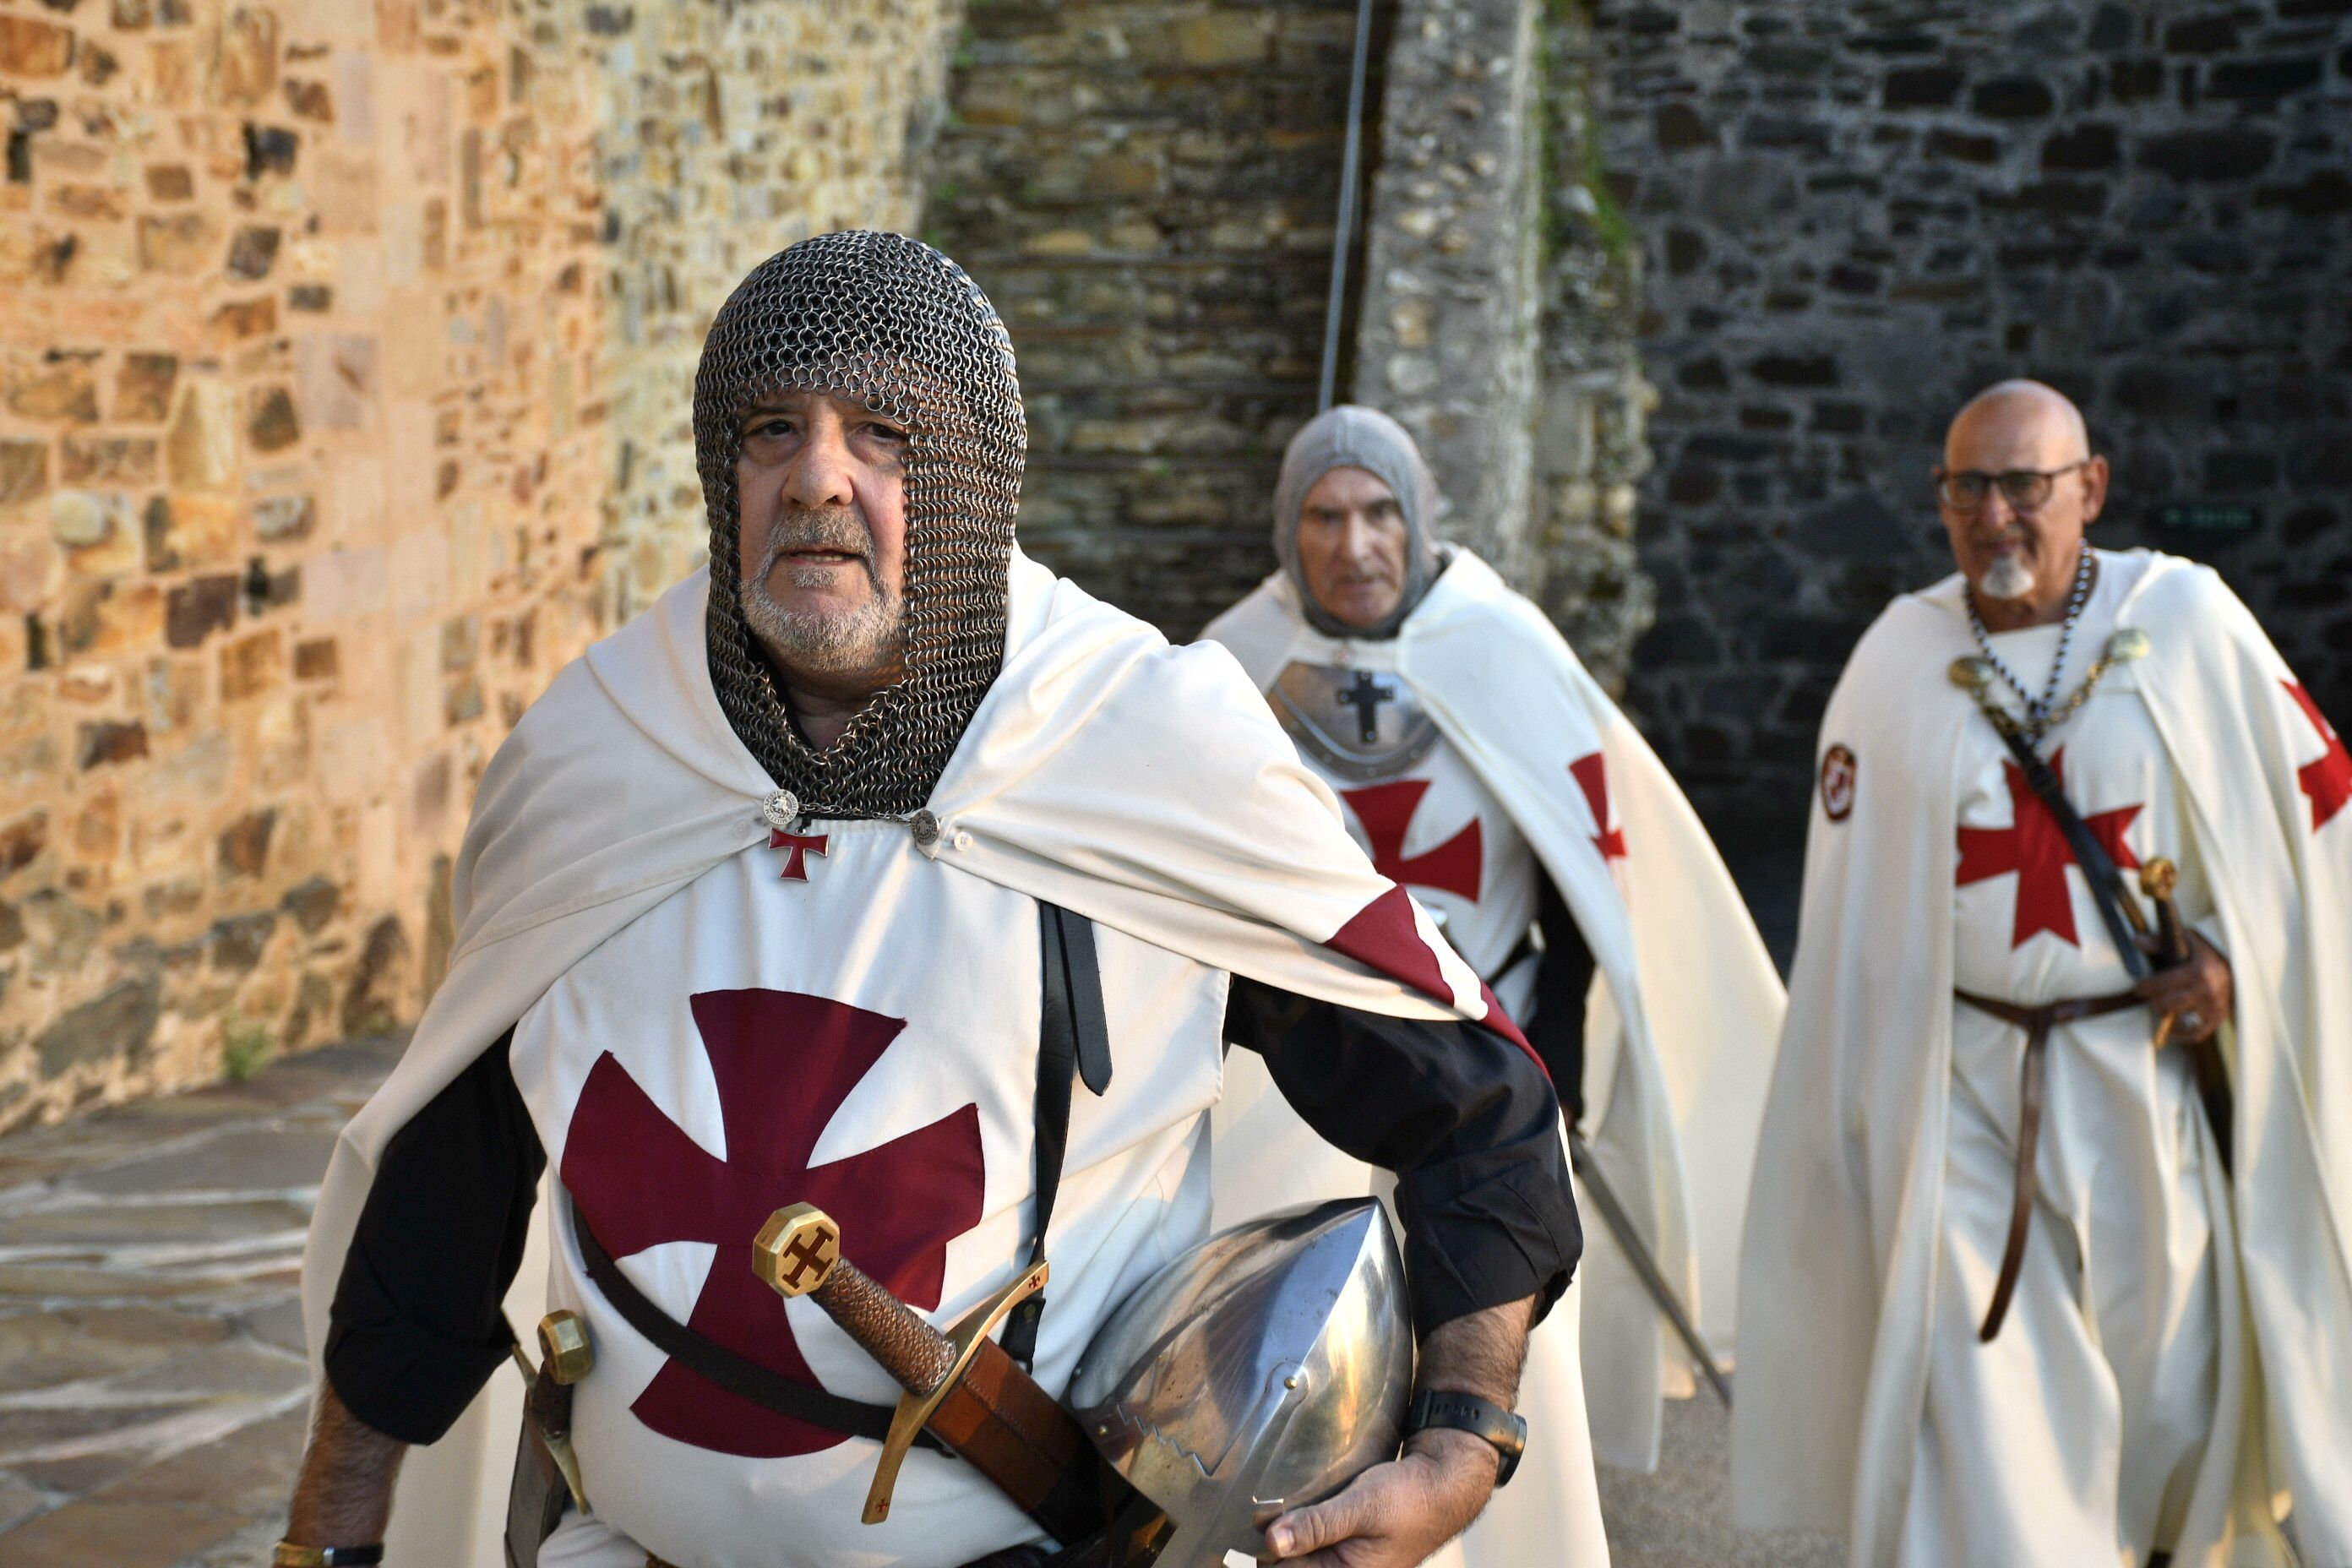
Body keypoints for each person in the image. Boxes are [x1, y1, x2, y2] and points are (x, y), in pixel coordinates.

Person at [277, 235, 1583, 1568]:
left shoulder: (1136, 746)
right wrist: (328, 1536)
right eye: (772, 429)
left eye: (884, 434)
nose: (818, 478)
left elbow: (1472, 1097)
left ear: (973, 481)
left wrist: (1463, 1441)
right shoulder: (595, 760)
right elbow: (450, 1190)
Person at [1734, 379, 2352, 1565]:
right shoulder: (1897, 660)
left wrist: (2229, 961)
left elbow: (2316, 828)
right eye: (1969, 487)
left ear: (2091, 489)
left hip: (2142, 1078)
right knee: (1980, 1389)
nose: (1996, 515)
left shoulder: (2189, 623)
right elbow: (1850, 919)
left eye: (2027, 486)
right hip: (1964, 1088)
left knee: (2168, 1388)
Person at [1200, 406, 1786, 1544]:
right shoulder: (1228, 669)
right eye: (1324, 517)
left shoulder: (1502, 649)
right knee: (1287, 1378)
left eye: (1379, 514)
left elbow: (1579, 882)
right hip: (1296, 1094)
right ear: (1288, 529)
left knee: (1493, 1368)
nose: (1354, 545)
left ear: (1420, 522)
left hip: (1486, 1085)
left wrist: (1548, 1064)